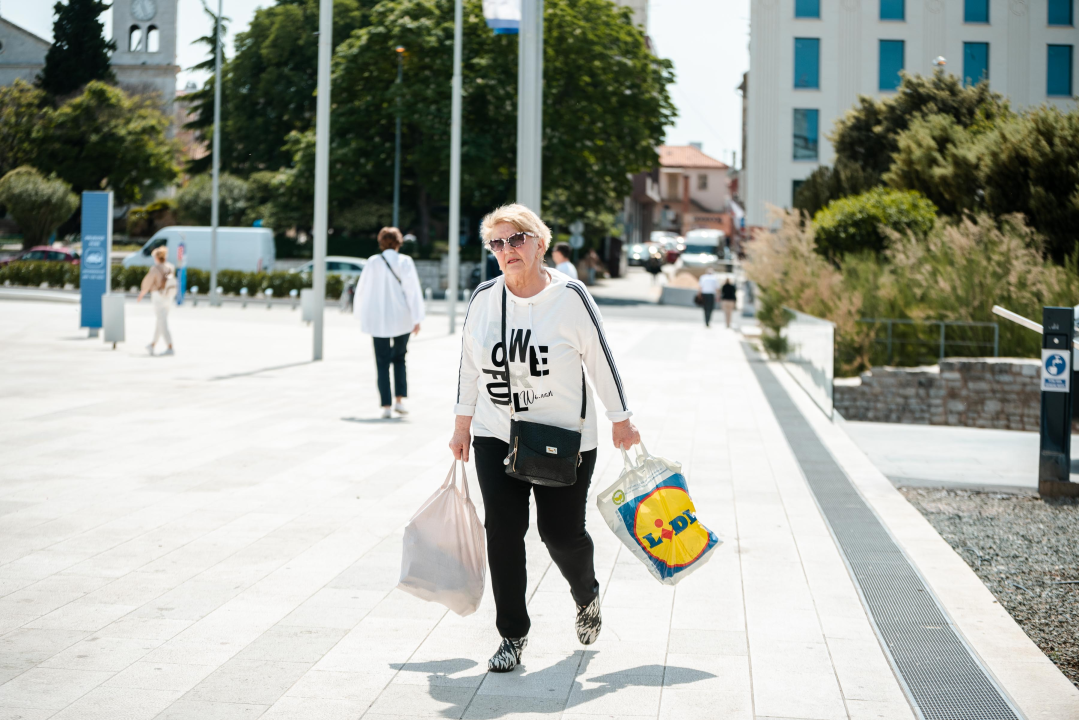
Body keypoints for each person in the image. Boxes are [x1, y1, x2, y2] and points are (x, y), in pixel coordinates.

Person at [449, 204, 640, 673]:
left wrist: (621, 418)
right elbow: (469, 367)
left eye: (516, 239)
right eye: (497, 243)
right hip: (498, 434)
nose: (507, 250)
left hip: (563, 436)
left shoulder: (570, 297)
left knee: (559, 533)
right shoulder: (483, 299)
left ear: (539, 242)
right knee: (504, 532)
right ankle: (512, 635)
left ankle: (586, 594)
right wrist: (461, 426)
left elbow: (600, 359)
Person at [354, 227, 425, 419]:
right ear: (399, 242)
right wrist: (417, 318)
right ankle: (399, 401)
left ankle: (386, 405)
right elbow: (412, 291)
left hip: (378, 319)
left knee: (382, 361)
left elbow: (362, 290)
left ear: (381, 242)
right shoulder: (405, 261)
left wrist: (359, 314)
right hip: (402, 317)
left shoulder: (373, 262)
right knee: (400, 358)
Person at [137, 246, 177, 356]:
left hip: (158, 297)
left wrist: (141, 294)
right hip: (169, 297)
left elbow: (147, 283)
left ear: (157, 257)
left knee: (162, 321)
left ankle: (170, 346)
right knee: (160, 321)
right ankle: (153, 344)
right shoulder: (170, 267)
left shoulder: (155, 269)